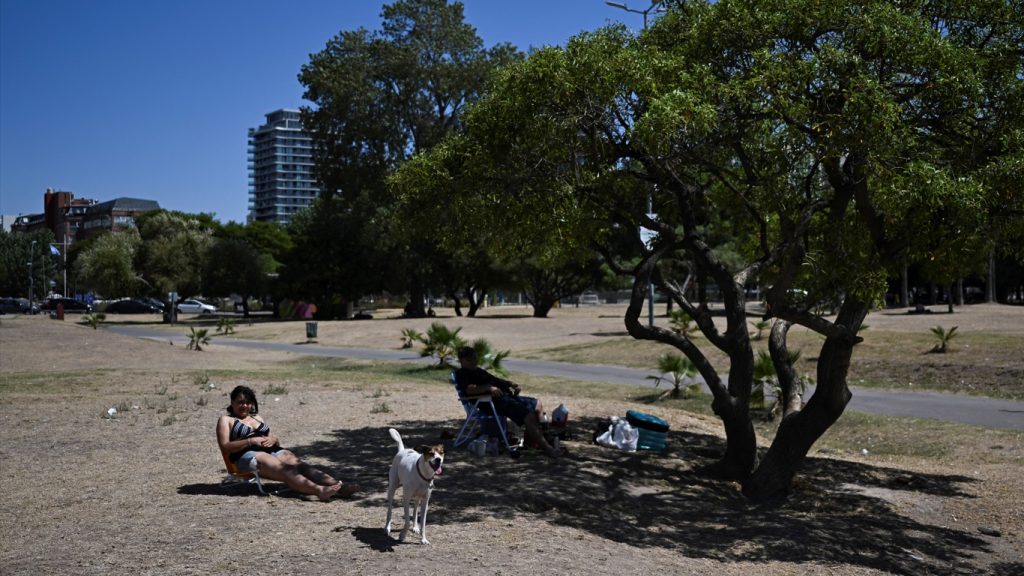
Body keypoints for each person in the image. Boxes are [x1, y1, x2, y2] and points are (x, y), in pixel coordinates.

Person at [216, 385, 359, 500]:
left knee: (300, 465)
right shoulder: (226, 420)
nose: (245, 406)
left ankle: (339, 486)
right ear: (232, 402)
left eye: (248, 402)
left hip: (271, 450)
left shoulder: (257, 417)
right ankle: (319, 490)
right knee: (285, 469)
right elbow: (225, 447)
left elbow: (270, 438)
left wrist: (274, 439)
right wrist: (250, 441)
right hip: (246, 455)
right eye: (240, 402)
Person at [454, 346, 564, 457]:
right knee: (528, 415)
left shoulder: (478, 371)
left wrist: (510, 384)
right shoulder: (462, 373)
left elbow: (496, 380)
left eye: (475, 358)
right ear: (462, 360)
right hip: (491, 403)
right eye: (471, 359)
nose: (475, 361)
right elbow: (469, 390)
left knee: (537, 404)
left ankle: (536, 440)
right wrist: (488, 388)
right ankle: (548, 448)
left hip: (505, 398)